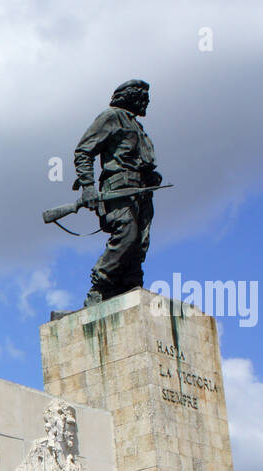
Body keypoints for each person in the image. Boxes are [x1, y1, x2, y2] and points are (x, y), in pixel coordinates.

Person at [72, 78, 161, 305]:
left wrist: (151, 176)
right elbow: (83, 151)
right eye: (144, 99)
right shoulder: (112, 117)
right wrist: (88, 187)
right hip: (119, 190)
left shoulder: (137, 127)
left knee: (139, 243)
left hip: (141, 193)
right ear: (131, 97)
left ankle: (130, 285)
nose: (146, 104)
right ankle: (99, 286)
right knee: (126, 235)